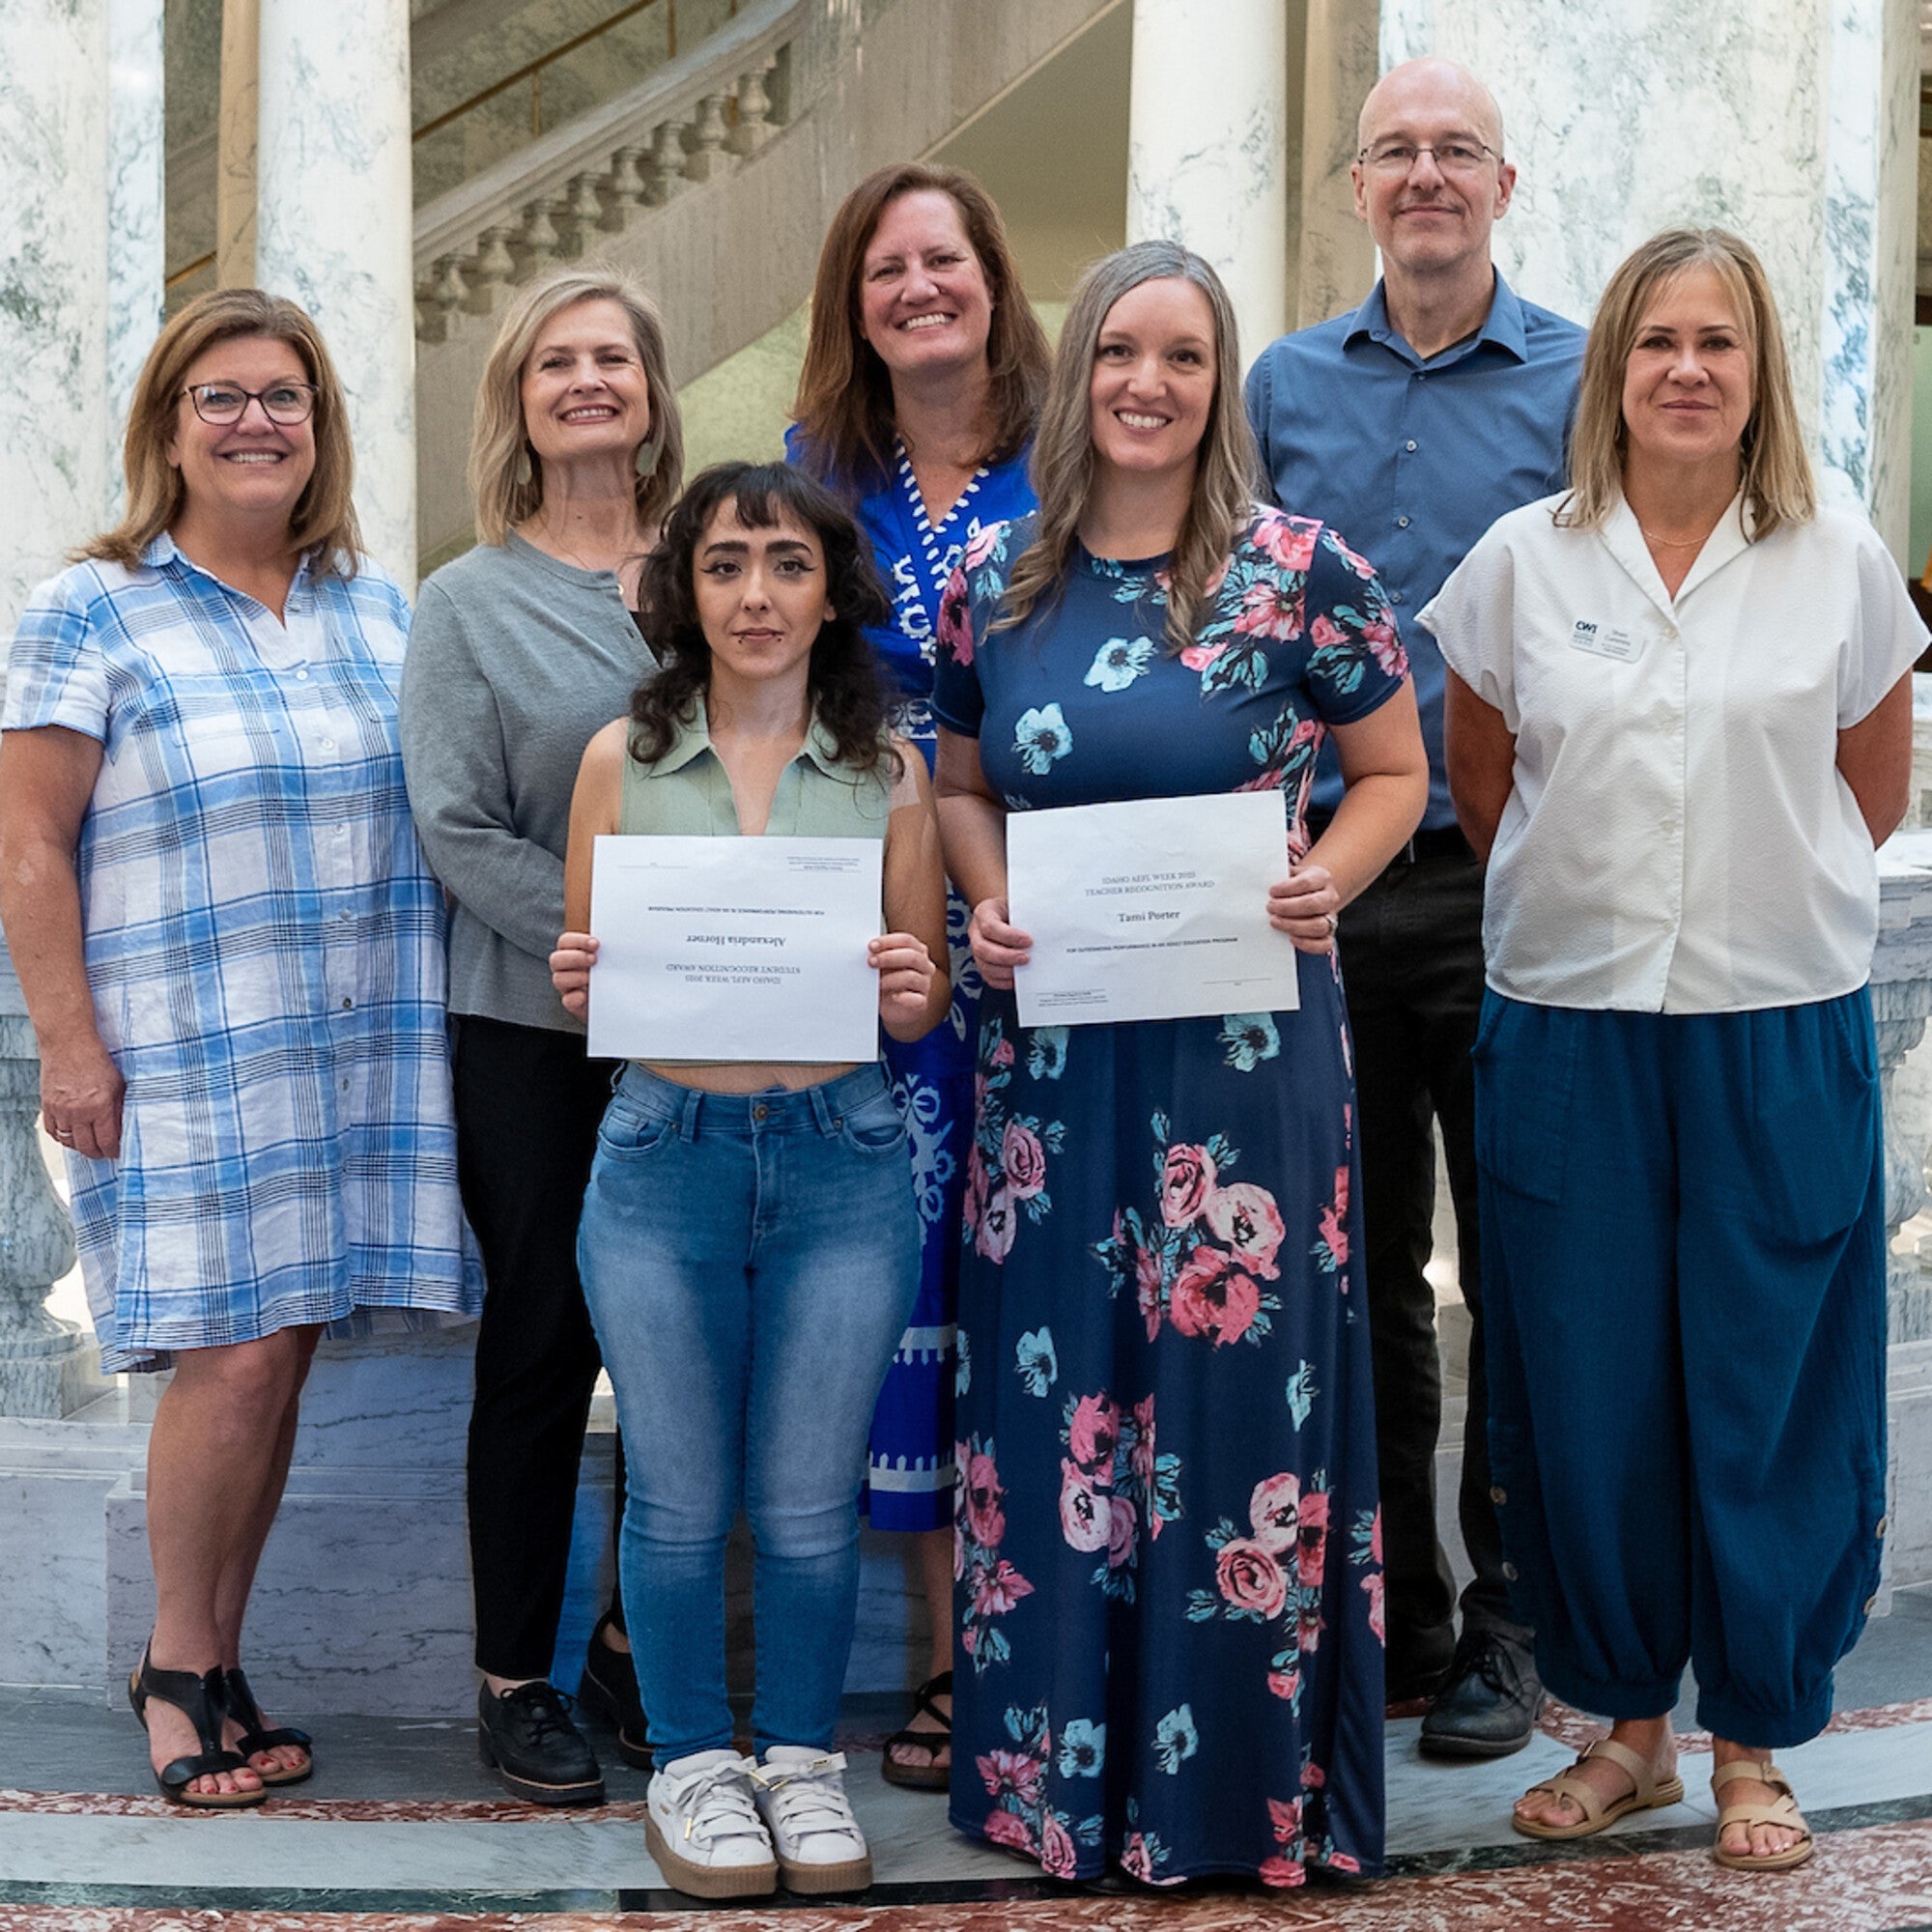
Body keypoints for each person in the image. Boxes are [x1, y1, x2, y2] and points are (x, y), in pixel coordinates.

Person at [932, 240, 1428, 1886]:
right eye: (1121, 352)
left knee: (1232, 1417)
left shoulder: (1302, 571)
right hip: (1057, 1080)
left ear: (1224, 386)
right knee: (1055, 1399)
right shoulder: (994, 578)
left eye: (1187, 357)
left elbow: (1393, 774)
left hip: (1246, 1061)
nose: (1150, 384)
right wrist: (988, 902)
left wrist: (1326, 879)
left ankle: (1245, 1799)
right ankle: (1055, 1788)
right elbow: (956, 787)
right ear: (1077, 374)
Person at [1428, 226, 1918, 1874]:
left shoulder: (1837, 555)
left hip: (1776, 1022)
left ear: (1759, 368)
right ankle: (1632, 1732)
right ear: (1612, 369)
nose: (1687, 369)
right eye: (1656, 342)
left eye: (1719, 340)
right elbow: (1486, 780)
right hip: (1569, 1023)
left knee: (1769, 1383)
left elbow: (1872, 791)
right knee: (1589, 1382)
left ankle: (1756, 1744)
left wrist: (1739, 906)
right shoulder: (1520, 562)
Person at [0, 288, 480, 1807]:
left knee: (276, 1361)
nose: (256, 420)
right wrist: (69, 1046)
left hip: (354, 1052)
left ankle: (210, 1650)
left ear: (321, 427)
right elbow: (27, 844)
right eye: (221, 397)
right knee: (229, 1358)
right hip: (187, 1046)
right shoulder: (90, 610)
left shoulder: (376, 610)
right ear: (168, 428)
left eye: (285, 396)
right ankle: (175, 1665)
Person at [1244, 55, 1584, 1756]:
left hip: (1519, 883)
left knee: (1516, 1260)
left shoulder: (1585, 378)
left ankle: (1517, 1623)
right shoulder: (1279, 385)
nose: (1429, 176)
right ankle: (1399, 1613)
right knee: (1358, 1264)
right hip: (1321, 887)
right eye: (1399, 152)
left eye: (1460, 152)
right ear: (1356, 186)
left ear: (1504, 187)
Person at [550, 462, 950, 1897]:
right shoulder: (620, 759)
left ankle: (796, 1758)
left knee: (801, 1498)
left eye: (786, 564)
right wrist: (581, 969)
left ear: (831, 589)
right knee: (672, 1493)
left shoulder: (891, 769)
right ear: (686, 591)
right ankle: (689, 1765)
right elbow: (593, 979)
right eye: (725, 565)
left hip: (844, 1156)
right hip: (666, 1158)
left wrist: (914, 980)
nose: (756, 594)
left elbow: (921, 999)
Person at [402, 266, 684, 1803]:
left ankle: (639, 1658)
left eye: (614, 359)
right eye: (557, 362)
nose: (589, 381)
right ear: (518, 397)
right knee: (542, 1342)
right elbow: (452, 824)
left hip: (716, 1031)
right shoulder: (463, 601)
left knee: (682, 1349)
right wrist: (596, 945)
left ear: (651, 390)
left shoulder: (715, 563)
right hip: (534, 1024)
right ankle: (518, 1680)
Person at [788, 161, 1049, 1788]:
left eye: (943, 258)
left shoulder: (1074, 463)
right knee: (879, 1283)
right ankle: (915, 1653)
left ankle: (1003, 1648)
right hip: (862, 944)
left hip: (1035, 931)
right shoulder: (814, 474)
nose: (917, 288)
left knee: (1012, 1281)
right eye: (886, 268)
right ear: (854, 300)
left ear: (991, 276)